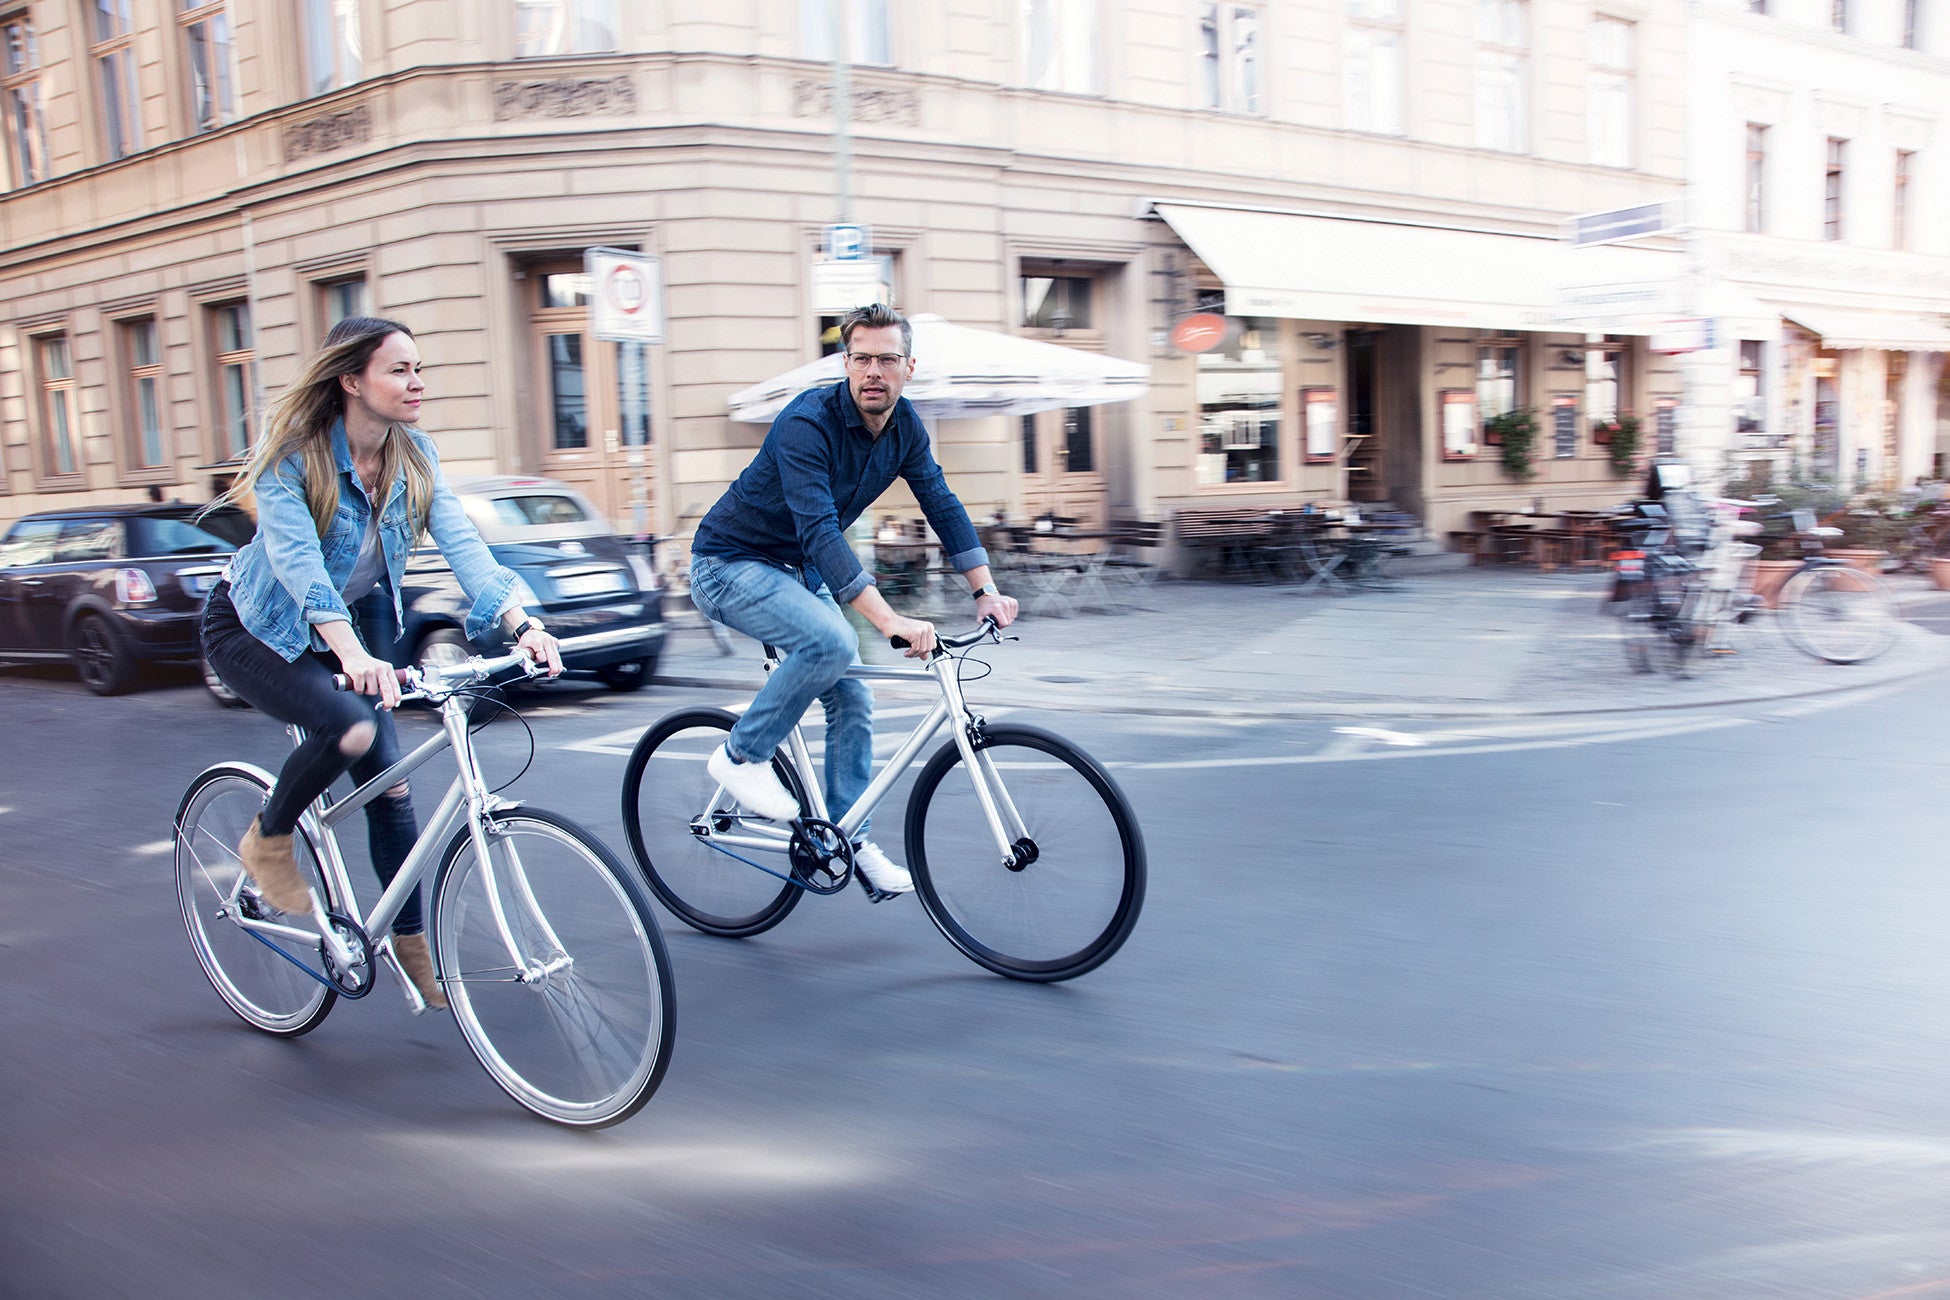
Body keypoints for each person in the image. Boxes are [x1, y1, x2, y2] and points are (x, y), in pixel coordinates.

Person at [198, 316, 563, 1009]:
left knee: (391, 790)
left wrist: (522, 622)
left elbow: (463, 543)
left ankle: (413, 950)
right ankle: (268, 838)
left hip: (359, 615)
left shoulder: (413, 454)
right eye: (398, 369)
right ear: (351, 381)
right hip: (261, 624)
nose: (416, 381)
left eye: (418, 367)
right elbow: (300, 567)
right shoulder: (293, 458)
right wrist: (355, 655)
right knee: (353, 729)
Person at [688, 303, 1018, 896]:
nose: (874, 371)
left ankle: (849, 838)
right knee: (832, 641)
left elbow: (939, 501)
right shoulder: (806, 423)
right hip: (729, 563)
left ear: (908, 368)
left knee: (855, 699)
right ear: (845, 363)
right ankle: (740, 757)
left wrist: (984, 588)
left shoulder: (905, 428)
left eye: (886, 360)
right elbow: (818, 529)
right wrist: (888, 619)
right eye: (862, 358)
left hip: (797, 573)